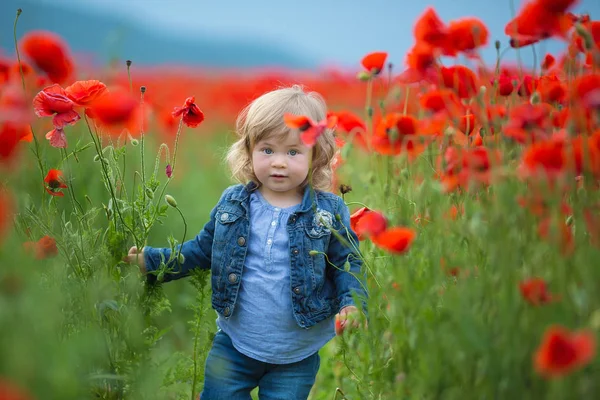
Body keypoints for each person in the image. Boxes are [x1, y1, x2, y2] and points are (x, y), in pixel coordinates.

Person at [124, 85, 367, 399]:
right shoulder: (234, 204)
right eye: (268, 150)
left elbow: (347, 263)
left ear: (315, 155)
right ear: (250, 151)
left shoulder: (328, 210)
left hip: (296, 355)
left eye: (293, 152)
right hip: (235, 346)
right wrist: (153, 261)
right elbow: (200, 250)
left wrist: (353, 304)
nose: (279, 162)